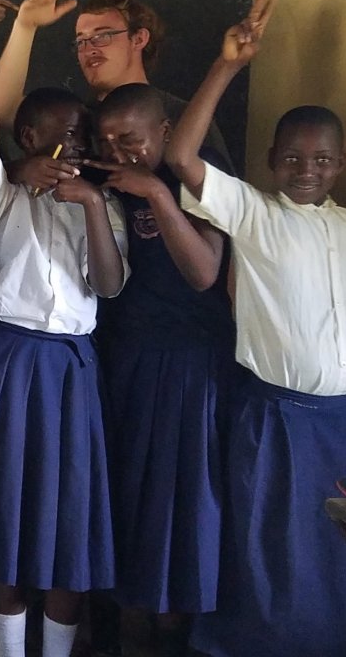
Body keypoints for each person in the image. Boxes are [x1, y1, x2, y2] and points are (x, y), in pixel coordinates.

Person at [168, 0, 346, 657]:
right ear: (272, 161)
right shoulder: (254, 214)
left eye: (322, 160)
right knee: (277, 545)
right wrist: (226, 66)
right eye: (294, 159)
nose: (307, 170)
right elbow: (183, 156)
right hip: (285, 419)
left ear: (341, 164)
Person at [0, 0, 126, 657]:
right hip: (9, 362)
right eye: (65, 134)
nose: (77, 143)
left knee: (67, 522)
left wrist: (86, 204)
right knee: (4, 516)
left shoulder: (97, 205)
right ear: (29, 138)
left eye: (83, 134)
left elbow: (106, 286)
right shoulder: (2, 195)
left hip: (72, 370)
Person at [87, 82, 232, 656]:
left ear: (166, 134)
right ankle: (124, 626)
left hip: (189, 366)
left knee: (177, 503)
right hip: (124, 360)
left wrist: (156, 194)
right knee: (125, 494)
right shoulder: (103, 184)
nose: (118, 152)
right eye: (106, 140)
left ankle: (172, 632)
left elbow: (202, 274)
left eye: (131, 140)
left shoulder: (197, 184)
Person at [0, 0, 230, 164]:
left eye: (102, 36)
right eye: (81, 41)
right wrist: (25, 26)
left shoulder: (186, 116)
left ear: (138, 38)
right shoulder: (75, 116)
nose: (89, 48)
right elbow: (2, 110)